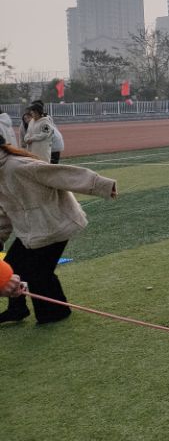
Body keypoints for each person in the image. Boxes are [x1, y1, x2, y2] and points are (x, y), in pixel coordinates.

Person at [0, 132, 117, 324]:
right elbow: (3, 212)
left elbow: (61, 174)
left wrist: (100, 185)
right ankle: (17, 309)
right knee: (12, 266)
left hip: (54, 225)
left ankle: (55, 313)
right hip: (31, 231)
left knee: (40, 273)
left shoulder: (17, 166)